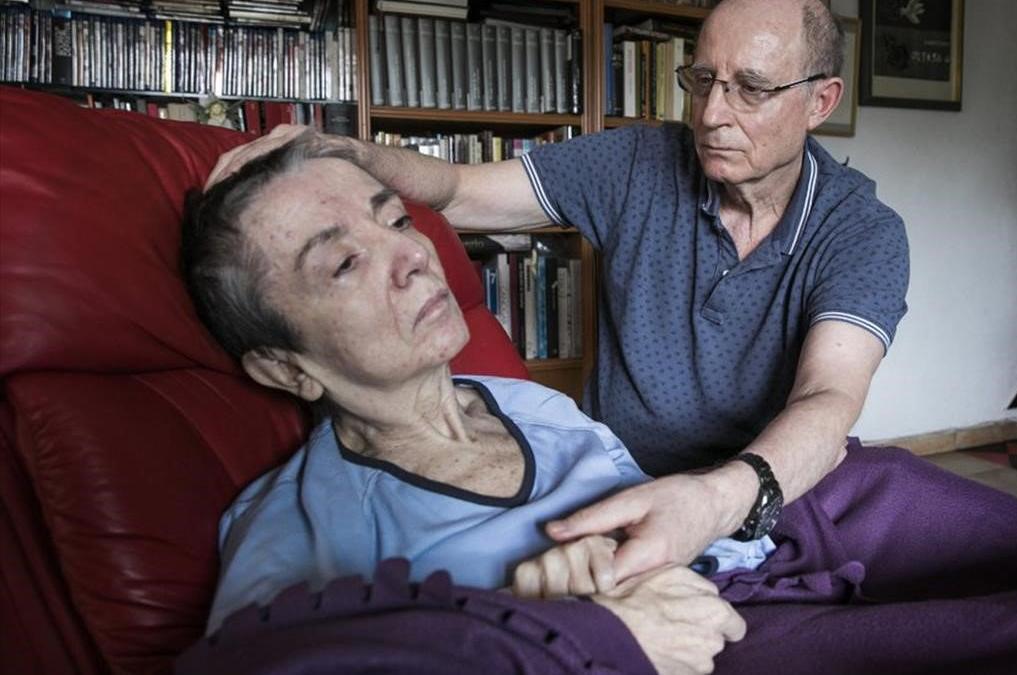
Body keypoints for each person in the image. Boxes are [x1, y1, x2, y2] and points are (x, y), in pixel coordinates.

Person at [206, 0, 902, 585]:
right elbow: (459, 190)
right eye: (701, 79)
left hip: (760, 491)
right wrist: (350, 156)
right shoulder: (638, 161)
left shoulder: (862, 230)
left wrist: (721, 499)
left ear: (821, 100)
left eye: (750, 88)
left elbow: (828, 397)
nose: (712, 113)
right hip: (614, 482)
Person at [185, 139, 753, 673]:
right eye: (344, 264)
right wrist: (555, 622)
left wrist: (635, 554)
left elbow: (712, 542)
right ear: (285, 367)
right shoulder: (303, 528)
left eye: (398, 220)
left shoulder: (533, 405)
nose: (411, 253)